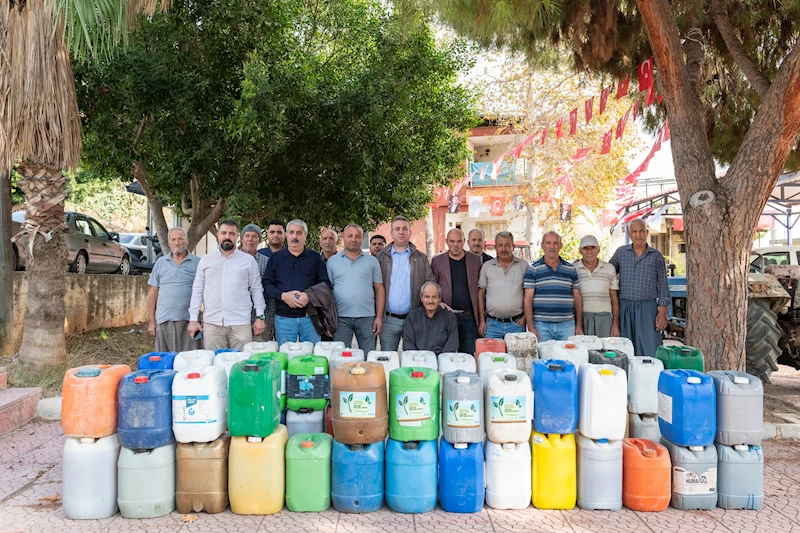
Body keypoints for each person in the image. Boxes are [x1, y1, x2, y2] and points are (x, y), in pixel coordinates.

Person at [188, 220, 265, 350]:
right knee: (215, 365)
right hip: (212, 323)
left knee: (242, 364)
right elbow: (197, 290)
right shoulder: (206, 260)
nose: (227, 237)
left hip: (240, 323)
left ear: (237, 236)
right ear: (218, 234)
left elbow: (257, 290)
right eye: (224, 233)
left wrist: (260, 317)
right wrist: (193, 319)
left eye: (231, 233)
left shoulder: (248, 261)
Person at [609, 218, 671, 356]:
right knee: (625, 348)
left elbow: (663, 285)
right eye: (634, 231)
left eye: (641, 231)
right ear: (629, 234)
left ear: (647, 232)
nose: (638, 235)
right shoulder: (621, 253)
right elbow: (608, 272)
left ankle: (650, 375)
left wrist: (662, 313)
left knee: (650, 348)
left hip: (647, 309)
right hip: (625, 307)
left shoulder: (656, 256)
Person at [265, 219, 331, 345]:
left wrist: (309, 296)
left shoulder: (315, 257)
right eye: (291, 232)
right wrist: (283, 296)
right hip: (284, 320)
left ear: (305, 236)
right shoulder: (276, 258)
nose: (295, 236)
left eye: (299, 233)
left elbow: (325, 284)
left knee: (311, 357)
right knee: (285, 357)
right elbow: (267, 284)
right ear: (286, 235)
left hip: (310, 318)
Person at [376, 216, 435, 351]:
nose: (401, 232)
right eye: (397, 229)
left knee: (413, 360)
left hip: (414, 319)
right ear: (391, 233)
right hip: (388, 319)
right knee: (389, 360)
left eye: (404, 229)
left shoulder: (421, 258)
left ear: (410, 232)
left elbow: (430, 283)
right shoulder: (380, 258)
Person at [327, 224, 385, 352]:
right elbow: (327, 292)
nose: (353, 239)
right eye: (350, 236)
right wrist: (329, 319)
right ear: (343, 238)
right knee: (341, 358)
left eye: (357, 236)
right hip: (340, 318)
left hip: (367, 318)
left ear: (362, 239)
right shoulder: (332, 261)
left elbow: (379, 289)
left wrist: (379, 317)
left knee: (368, 358)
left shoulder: (372, 261)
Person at [147, 228, 201, 352]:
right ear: (169, 242)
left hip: (189, 321)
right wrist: (151, 322)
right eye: (173, 239)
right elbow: (153, 293)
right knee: (165, 361)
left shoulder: (198, 263)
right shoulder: (160, 263)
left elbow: (205, 291)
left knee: (189, 360)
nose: (177, 243)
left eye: (180, 239)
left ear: (187, 241)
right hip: (164, 320)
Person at [523, 231, 583, 342]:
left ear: (560, 246)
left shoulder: (571, 269)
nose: (552, 246)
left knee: (568, 356)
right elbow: (528, 300)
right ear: (542, 245)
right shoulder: (533, 269)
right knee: (544, 358)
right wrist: (531, 327)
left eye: (555, 243)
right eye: (548, 243)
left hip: (567, 325)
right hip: (541, 326)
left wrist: (579, 325)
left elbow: (577, 298)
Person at [431, 228, 482, 354]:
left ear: (464, 241)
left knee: (468, 355)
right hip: (446, 316)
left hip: (469, 317)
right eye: (452, 241)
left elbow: (481, 289)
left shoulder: (475, 260)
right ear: (446, 242)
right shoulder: (437, 261)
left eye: (459, 241)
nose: (455, 245)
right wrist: (438, 302)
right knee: (445, 354)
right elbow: (432, 285)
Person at [477, 231, 528, 339]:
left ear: (513, 247)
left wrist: (525, 317)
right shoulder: (487, 266)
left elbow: (529, 294)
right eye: (500, 245)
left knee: (517, 355)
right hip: (492, 325)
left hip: (517, 324)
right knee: (491, 355)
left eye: (507, 245)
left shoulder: (523, 266)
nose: (503, 249)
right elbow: (480, 294)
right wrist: (482, 321)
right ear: (495, 247)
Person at [574, 235, 620, 338]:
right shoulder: (573, 269)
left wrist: (615, 325)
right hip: (582, 318)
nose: (589, 251)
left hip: (604, 319)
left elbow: (614, 298)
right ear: (580, 251)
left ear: (598, 250)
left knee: (604, 351)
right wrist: (578, 324)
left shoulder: (609, 268)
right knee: (584, 351)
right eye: (585, 248)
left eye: (592, 248)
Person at [402, 282, 459, 354]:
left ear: (439, 298)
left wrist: (439, 361)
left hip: (441, 361)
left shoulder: (449, 317)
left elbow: (452, 344)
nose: (430, 301)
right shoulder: (412, 317)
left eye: (434, 297)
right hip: (418, 361)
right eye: (427, 297)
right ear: (421, 298)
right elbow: (408, 344)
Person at [257, 219, 286, 340]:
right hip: (264, 312)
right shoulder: (259, 255)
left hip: (284, 312)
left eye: (279, 232)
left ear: (285, 234)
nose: (275, 235)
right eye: (272, 232)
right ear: (267, 234)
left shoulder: (291, 255)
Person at [240, 223, 270, 341]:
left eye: (254, 236)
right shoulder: (232, 260)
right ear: (242, 239)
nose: (250, 239)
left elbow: (268, 292)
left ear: (259, 240)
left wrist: (269, 319)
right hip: (238, 318)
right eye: (247, 236)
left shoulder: (266, 262)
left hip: (260, 317)